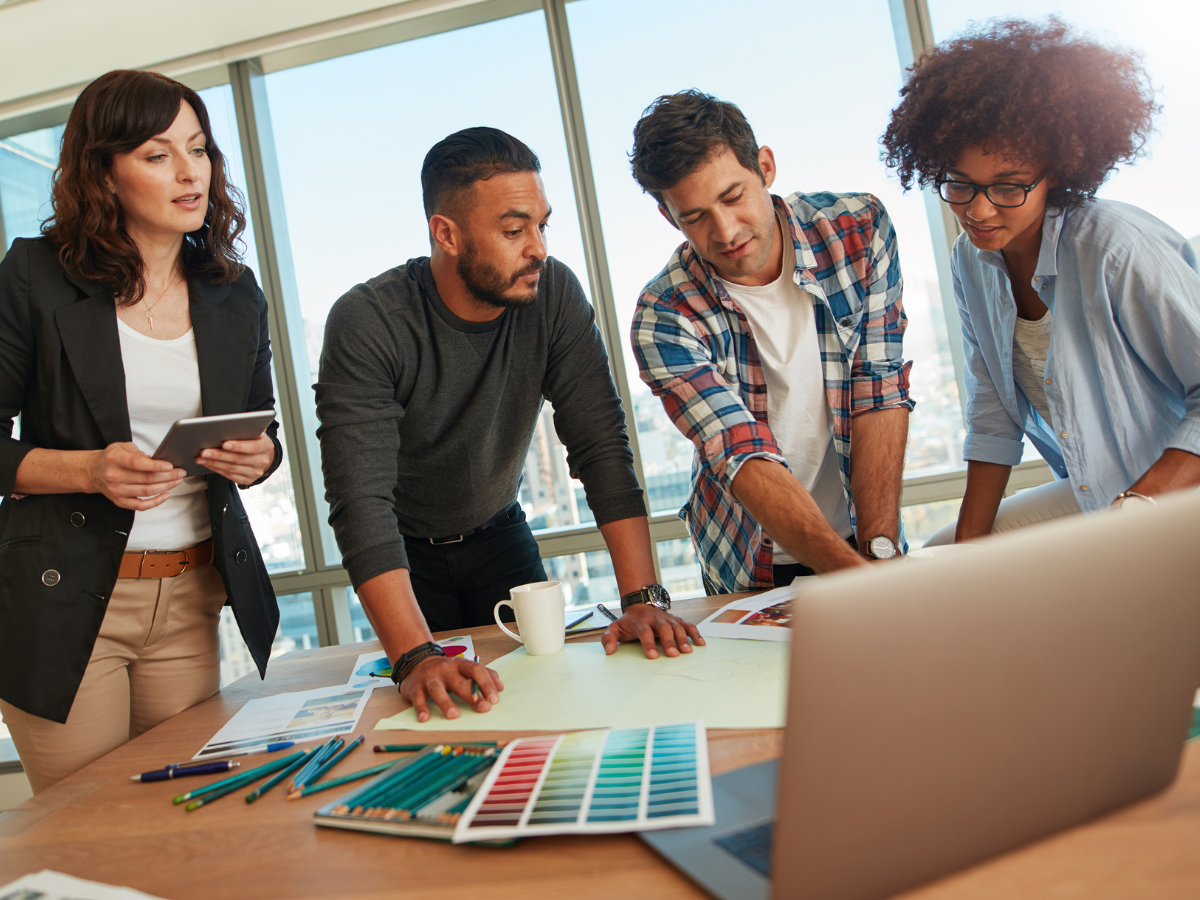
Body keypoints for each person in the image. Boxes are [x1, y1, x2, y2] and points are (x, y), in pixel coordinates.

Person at [315, 127, 703, 725]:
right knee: (438, 719)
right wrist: (416, 654)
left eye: (543, 226)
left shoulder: (554, 295)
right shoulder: (369, 321)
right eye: (514, 230)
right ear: (447, 234)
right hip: (403, 558)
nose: (539, 249)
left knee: (543, 702)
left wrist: (642, 599)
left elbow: (600, 443)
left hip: (500, 539)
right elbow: (360, 501)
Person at [0, 70, 283, 793]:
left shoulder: (232, 290)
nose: (191, 172)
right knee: (87, 840)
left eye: (198, 149)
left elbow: (262, 427)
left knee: (182, 819)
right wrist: (89, 470)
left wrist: (260, 455)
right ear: (104, 173)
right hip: (66, 603)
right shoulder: (34, 275)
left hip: (189, 598)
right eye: (158, 156)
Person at [881, 18, 1200, 545]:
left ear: (1058, 172)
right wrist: (967, 554)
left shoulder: (1117, 249)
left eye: (1008, 188)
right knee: (942, 557)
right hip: (1100, 493)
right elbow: (993, 412)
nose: (978, 210)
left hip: (1170, 494)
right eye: (960, 184)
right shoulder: (971, 262)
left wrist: (1138, 508)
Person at [629, 91, 914, 595]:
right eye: (694, 216)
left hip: (866, 537)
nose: (725, 231)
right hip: (749, 566)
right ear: (668, 217)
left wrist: (878, 557)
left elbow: (879, 389)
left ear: (765, 166)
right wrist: (855, 580)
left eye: (733, 196)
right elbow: (741, 452)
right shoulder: (664, 314)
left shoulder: (858, 229)